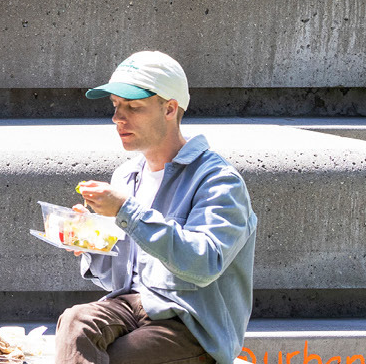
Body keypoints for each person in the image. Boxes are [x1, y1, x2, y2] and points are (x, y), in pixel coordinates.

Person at [53, 51, 255, 364]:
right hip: (133, 306)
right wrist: (90, 241)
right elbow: (120, 277)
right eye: (116, 106)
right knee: (75, 320)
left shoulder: (218, 181)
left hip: (192, 325)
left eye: (133, 106)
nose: (118, 118)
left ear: (170, 109)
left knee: (116, 357)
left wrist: (125, 211)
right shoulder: (126, 175)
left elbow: (203, 265)